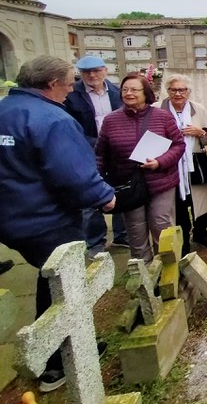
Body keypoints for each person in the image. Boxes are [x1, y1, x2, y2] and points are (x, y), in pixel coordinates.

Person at [0, 55, 116, 392]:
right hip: (46, 219)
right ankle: (57, 361)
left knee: (46, 276)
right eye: (68, 84)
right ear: (51, 84)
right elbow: (73, 174)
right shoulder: (52, 119)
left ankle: (55, 349)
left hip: (11, 216)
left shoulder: (5, 111)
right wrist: (104, 196)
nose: (71, 90)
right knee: (62, 285)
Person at [96, 73, 185, 263]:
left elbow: (178, 145)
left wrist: (160, 162)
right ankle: (143, 273)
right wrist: (98, 182)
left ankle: (169, 271)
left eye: (134, 89)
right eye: (125, 89)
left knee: (162, 228)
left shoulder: (162, 117)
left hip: (160, 181)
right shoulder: (111, 120)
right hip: (128, 185)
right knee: (136, 231)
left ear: (146, 93)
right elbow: (100, 154)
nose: (129, 93)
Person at [64, 55, 129, 259]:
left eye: (96, 71)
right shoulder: (72, 95)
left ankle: (121, 235)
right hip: (87, 152)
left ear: (104, 71)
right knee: (91, 198)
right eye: (86, 72)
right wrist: (94, 144)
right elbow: (69, 127)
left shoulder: (118, 93)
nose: (92, 75)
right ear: (80, 74)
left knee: (121, 191)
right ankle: (95, 242)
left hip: (117, 152)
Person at [156, 74, 207, 256]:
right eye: (174, 90)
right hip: (171, 165)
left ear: (188, 92)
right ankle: (182, 238)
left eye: (182, 90)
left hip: (195, 162)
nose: (178, 94)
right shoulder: (158, 109)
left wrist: (200, 132)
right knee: (178, 204)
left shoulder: (197, 109)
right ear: (168, 91)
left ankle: (201, 232)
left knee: (199, 201)